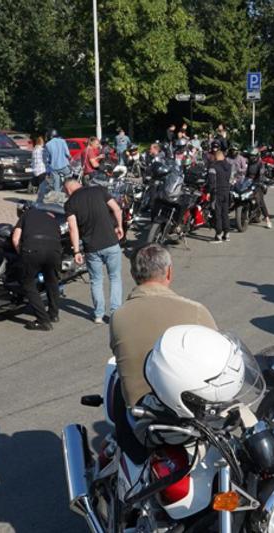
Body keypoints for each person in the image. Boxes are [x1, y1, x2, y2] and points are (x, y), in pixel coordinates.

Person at [110, 243, 217, 407]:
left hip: (138, 411)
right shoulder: (196, 311)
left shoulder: (119, 316)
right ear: (169, 272)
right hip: (190, 409)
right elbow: (217, 360)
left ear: (133, 274)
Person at [64, 177, 124, 324]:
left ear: (68, 190)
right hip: (111, 242)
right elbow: (117, 208)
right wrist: (119, 226)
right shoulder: (99, 190)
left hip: (91, 247)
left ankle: (98, 315)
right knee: (115, 277)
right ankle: (115, 313)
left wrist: (76, 251)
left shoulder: (70, 203)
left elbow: (73, 228)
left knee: (96, 280)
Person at [12, 206, 61, 331]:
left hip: (32, 249)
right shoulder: (52, 219)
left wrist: (21, 254)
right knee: (52, 281)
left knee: (27, 283)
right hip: (55, 251)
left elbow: (15, 238)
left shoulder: (26, 215)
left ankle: (43, 321)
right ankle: (54, 314)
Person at [208, 142, 232, 242]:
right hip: (226, 192)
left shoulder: (213, 167)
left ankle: (218, 234)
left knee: (217, 214)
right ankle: (227, 234)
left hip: (217, 192)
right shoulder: (229, 166)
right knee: (225, 213)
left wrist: (210, 192)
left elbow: (211, 182)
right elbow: (230, 179)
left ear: (216, 157)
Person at [40, 129, 71, 201]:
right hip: (64, 165)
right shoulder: (62, 141)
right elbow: (67, 154)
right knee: (69, 177)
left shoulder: (47, 144)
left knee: (56, 183)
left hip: (54, 167)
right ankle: (69, 193)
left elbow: (47, 158)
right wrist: (69, 158)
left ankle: (57, 198)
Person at [245, 148, 272, 228]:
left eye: (253, 156)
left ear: (257, 156)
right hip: (248, 182)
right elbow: (246, 174)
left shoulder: (260, 164)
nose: (251, 157)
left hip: (258, 183)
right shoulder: (249, 163)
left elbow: (261, 174)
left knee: (260, 201)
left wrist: (258, 181)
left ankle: (267, 219)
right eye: (250, 156)